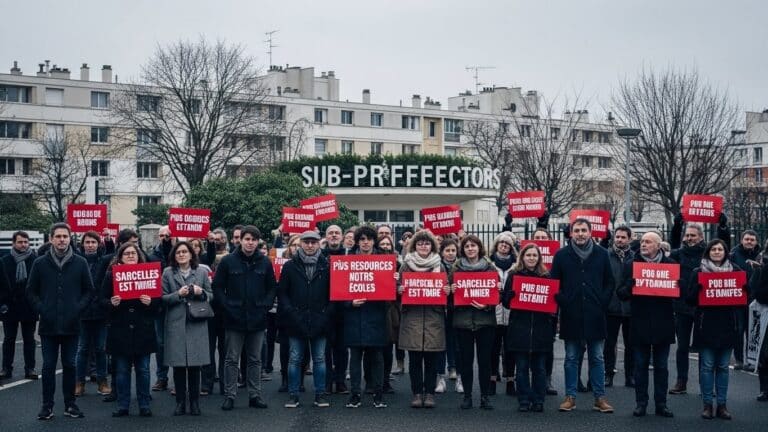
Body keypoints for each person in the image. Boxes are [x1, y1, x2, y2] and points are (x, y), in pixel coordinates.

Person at [27, 223, 93, 420]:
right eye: (58, 236)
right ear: (51, 239)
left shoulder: (80, 262)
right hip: (48, 325)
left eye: (65, 236)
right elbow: (30, 291)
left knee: (70, 365)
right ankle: (47, 406)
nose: (62, 240)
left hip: (72, 325)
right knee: (48, 366)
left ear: (70, 238)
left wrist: (77, 308)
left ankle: (70, 405)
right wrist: (42, 308)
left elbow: (89, 290)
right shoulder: (40, 263)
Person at [551, 218, 614, 413]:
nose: (580, 234)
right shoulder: (561, 255)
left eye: (583, 230)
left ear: (590, 232)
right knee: (571, 358)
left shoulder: (602, 254)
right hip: (572, 314)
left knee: (597, 357)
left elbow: (609, 282)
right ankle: (570, 397)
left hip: (596, 314)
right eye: (576, 230)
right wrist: (565, 301)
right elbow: (554, 284)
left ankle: (599, 398)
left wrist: (602, 302)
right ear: (571, 233)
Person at [213, 225, 276, 411]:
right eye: (247, 239)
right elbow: (218, 287)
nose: (250, 243)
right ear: (240, 240)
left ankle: (254, 395)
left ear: (258, 242)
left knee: (255, 359)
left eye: (254, 240)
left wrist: (265, 306)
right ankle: (230, 395)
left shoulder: (265, 262)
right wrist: (227, 307)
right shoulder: (228, 261)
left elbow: (272, 287)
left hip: (257, 318)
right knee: (231, 359)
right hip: (234, 318)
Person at [669, 213, 730, 395]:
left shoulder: (708, 254)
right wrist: (677, 225)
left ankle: (706, 383)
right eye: (687, 235)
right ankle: (681, 381)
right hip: (681, 306)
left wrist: (723, 227)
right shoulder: (677, 254)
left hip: (704, 308)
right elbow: (672, 245)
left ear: (701, 237)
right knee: (682, 346)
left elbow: (725, 248)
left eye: (692, 235)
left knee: (705, 346)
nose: (689, 238)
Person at [617, 232, 676, 418]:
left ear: (658, 246)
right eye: (642, 241)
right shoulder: (631, 265)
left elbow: (680, 296)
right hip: (640, 322)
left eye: (648, 242)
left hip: (663, 322)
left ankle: (661, 404)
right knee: (640, 365)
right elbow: (620, 293)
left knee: (661, 367)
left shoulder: (671, 266)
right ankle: (641, 403)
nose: (643, 244)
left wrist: (678, 286)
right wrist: (630, 287)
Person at [687, 239, 744, 420]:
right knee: (707, 367)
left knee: (723, 367)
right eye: (714, 249)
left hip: (728, 325)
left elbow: (744, 299)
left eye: (720, 249)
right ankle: (707, 405)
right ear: (708, 252)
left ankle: (722, 405)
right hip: (707, 326)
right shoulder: (698, 272)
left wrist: (745, 289)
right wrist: (697, 289)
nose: (717, 252)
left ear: (725, 252)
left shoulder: (736, 272)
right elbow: (689, 300)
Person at [102, 243, 159, 417]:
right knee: (121, 370)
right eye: (126, 254)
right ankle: (123, 405)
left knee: (143, 369)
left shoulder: (148, 274)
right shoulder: (111, 276)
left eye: (133, 253)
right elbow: (101, 301)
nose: (131, 256)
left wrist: (151, 303)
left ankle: (144, 404)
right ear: (120, 257)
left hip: (143, 329)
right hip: (120, 330)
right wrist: (111, 303)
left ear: (139, 255)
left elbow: (159, 303)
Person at [279, 231, 333, 408]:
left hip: (320, 320)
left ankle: (320, 395)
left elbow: (334, 295)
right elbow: (283, 293)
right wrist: (291, 312)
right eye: (307, 242)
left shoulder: (328, 265)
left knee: (319, 359)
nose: (310, 245)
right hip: (296, 320)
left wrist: (325, 316)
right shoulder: (289, 266)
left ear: (319, 244)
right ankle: (293, 395)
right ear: (301, 243)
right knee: (295, 359)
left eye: (314, 242)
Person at [397, 230, 448, 408]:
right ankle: (417, 393)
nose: (423, 246)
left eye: (427, 243)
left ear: (432, 245)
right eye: (420, 243)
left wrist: (447, 291)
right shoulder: (405, 266)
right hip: (412, 318)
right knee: (415, 360)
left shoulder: (439, 266)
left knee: (432, 360)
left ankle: (430, 394)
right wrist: (399, 290)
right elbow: (395, 289)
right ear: (415, 245)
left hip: (434, 318)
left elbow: (446, 289)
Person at [501, 243, 555, 412]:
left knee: (539, 368)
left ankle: (539, 399)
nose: (531, 258)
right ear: (522, 257)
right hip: (520, 329)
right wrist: (508, 296)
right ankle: (524, 399)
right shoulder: (513, 275)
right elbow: (506, 304)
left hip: (541, 330)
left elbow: (552, 306)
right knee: (522, 368)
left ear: (539, 258)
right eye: (528, 255)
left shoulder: (546, 277)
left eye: (534, 255)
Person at [162, 241, 212, 416]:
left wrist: (201, 292)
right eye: (178, 252)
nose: (182, 254)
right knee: (178, 366)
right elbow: (162, 298)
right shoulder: (168, 273)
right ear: (174, 256)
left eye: (185, 251)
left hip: (196, 321)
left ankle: (195, 403)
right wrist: (178, 295)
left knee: (195, 366)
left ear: (192, 254)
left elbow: (211, 295)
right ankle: (180, 403)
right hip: (176, 323)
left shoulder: (202, 272)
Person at [450, 235, 499, 410]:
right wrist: (451, 290)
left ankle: (485, 396)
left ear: (479, 248)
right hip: (462, 322)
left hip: (485, 322)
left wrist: (486, 305)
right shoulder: (455, 269)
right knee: (465, 361)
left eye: (473, 245)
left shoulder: (490, 268)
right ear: (463, 250)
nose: (470, 248)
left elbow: (497, 296)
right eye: (467, 246)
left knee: (485, 361)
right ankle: (468, 396)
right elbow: (447, 295)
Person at [344, 226, 389, 409]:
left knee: (377, 357)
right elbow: (339, 289)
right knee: (355, 358)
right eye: (362, 239)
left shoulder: (384, 261)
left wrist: (391, 281)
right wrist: (349, 303)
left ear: (373, 241)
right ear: (357, 241)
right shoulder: (347, 262)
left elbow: (390, 294)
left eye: (369, 239)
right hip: (355, 316)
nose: (365, 242)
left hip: (376, 315)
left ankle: (378, 394)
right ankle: (355, 394)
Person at [74, 231, 111, 397]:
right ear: (82, 244)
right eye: (87, 242)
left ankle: (102, 382)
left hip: (100, 313)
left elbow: (117, 253)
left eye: (93, 242)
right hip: (82, 313)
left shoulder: (103, 261)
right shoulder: (76, 261)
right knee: (82, 349)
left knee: (101, 349)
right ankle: (79, 382)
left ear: (98, 244)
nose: (90, 245)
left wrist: (109, 240)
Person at [1, 231, 38, 381]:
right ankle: (6, 369)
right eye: (20, 242)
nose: (23, 245)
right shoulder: (4, 260)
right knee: (9, 339)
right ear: (13, 243)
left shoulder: (35, 260)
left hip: (29, 306)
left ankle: (30, 368)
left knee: (29, 339)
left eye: (25, 242)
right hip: (9, 306)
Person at [604, 226, 635, 388]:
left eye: (623, 237)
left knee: (631, 344)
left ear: (629, 239)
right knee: (609, 343)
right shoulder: (606, 256)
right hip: (611, 306)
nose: (620, 240)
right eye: (617, 237)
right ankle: (608, 374)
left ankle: (630, 376)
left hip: (631, 308)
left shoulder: (636, 258)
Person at [322, 225, 350, 395]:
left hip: (344, 309)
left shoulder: (349, 256)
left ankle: (340, 381)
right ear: (326, 237)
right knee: (324, 349)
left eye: (337, 233)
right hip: (324, 308)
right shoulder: (319, 255)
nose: (334, 235)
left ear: (342, 236)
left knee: (342, 348)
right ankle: (326, 381)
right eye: (331, 233)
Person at [489, 232, 517, 396]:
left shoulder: (516, 266)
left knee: (510, 348)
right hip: (494, 312)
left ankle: (510, 380)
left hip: (512, 313)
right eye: (502, 243)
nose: (504, 246)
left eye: (507, 244)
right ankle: (492, 378)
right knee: (493, 348)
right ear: (496, 245)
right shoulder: (489, 264)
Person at [730, 230, 760, 370]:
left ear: (756, 242)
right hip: (738, 298)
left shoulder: (761, 256)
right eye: (747, 239)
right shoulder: (733, 254)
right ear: (741, 240)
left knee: (752, 331)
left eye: (752, 240)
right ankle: (739, 360)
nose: (749, 241)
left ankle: (751, 359)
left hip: (756, 299)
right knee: (738, 329)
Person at [149, 226, 174, 392]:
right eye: (161, 235)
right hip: (159, 306)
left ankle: (179, 379)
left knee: (180, 341)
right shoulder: (152, 257)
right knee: (160, 343)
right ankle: (161, 377)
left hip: (176, 304)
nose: (164, 238)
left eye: (168, 235)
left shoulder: (178, 253)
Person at [438, 239, 460, 393]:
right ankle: (440, 375)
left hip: (456, 309)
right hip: (439, 309)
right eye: (447, 250)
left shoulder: (461, 267)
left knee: (455, 342)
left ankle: (454, 369)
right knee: (440, 342)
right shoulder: (436, 267)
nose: (450, 253)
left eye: (453, 250)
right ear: (442, 252)